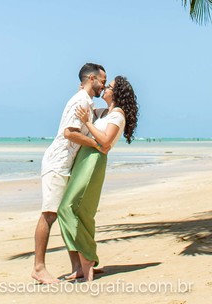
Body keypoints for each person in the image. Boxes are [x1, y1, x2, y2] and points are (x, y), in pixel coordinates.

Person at [56, 75, 139, 282]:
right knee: (83, 213)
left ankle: (89, 259)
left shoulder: (118, 115)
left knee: (67, 208)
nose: (105, 88)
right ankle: (84, 265)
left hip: (94, 159)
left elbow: (105, 142)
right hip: (85, 157)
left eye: (109, 86)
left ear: (117, 93)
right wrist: (83, 91)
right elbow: (85, 110)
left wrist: (86, 123)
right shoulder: (105, 113)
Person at [31, 63, 106, 285]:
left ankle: (77, 266)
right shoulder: (80, 100)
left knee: (66, 213)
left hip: (67, 164)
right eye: (102, 80)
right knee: (50, 213)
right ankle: (38, 268)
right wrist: (96, 144)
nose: (103, 85)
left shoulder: (88, 103)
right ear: (91, 78)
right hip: (57, 163)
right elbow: (69, 133)